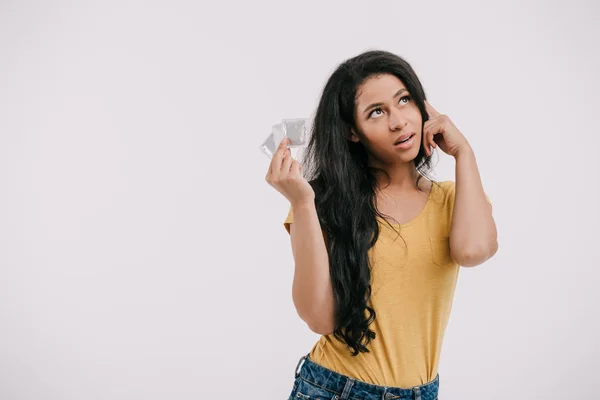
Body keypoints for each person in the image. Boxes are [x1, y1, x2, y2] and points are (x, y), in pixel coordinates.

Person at [265, 49, 498, 400]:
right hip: (335, 389)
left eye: (404, 100)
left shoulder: (452, 199)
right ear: (353, 132)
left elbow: (473, 250)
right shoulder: (321, 202)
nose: (399, 121)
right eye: (376, 112)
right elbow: (319, 319)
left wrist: (464, 152)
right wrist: (301, 203)